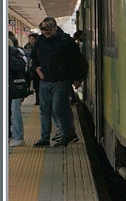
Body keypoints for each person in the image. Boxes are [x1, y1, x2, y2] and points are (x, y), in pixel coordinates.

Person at [30, 17, 86, 147]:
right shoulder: (40, 41)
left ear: (55, 27)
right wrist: (36, 68)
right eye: (43, 29)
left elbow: (78, 61)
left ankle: (67, 133)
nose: (46, 31)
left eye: (49, 28)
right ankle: (44, 138)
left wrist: (78, 78)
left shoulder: (66, 41)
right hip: (44, 80)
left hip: (61, 80)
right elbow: (34, 58)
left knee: (58, 108)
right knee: (44, 110)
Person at [8, 33, 30, 146]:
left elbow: (20, 67)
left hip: (14, 87)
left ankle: (18, 137)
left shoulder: (14, 52)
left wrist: (8, 57)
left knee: (15, 112)